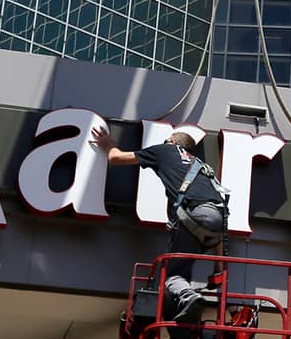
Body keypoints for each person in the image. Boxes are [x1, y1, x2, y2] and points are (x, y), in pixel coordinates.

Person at [90, 127, 229, 325]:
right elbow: (219, 222)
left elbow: (116, 158)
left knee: (172, 277)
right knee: (180, 280)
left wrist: (107, 144)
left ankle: (189, 297)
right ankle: (182, 336)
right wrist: (218, 267)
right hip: (218, 219)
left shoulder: (165, 150)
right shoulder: (202, 167)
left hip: (193, 215)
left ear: (171, 141)